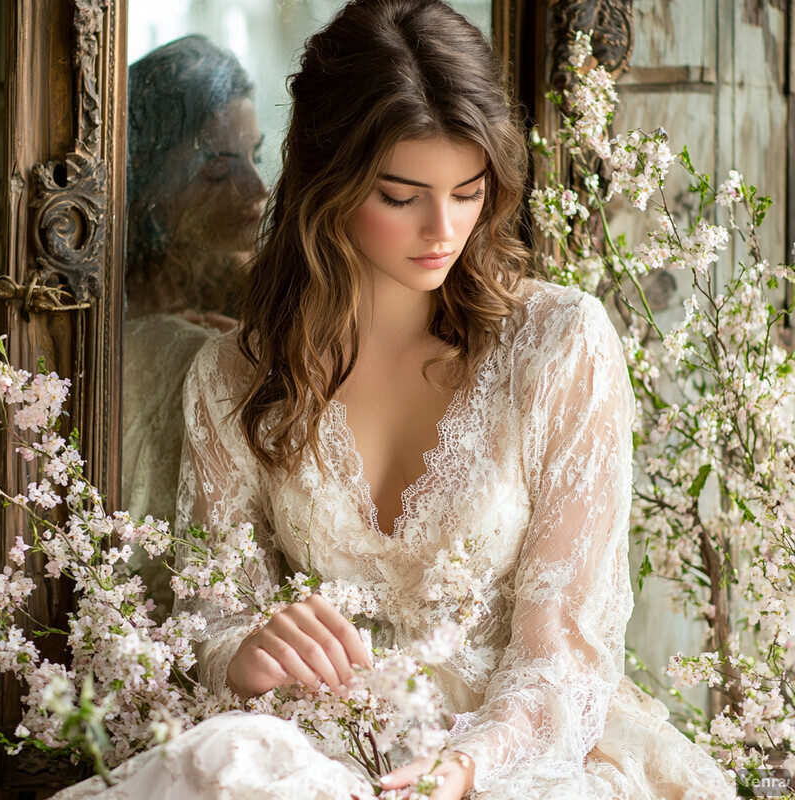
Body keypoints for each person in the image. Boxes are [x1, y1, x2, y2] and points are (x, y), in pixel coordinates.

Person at [60, 1, 735, 797]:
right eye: (401, 195)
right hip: (321, 746)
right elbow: (211, 613)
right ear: (328, 182)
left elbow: (565, 651)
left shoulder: (559, 345)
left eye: (469, 190)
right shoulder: (234, 377)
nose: (442, 229)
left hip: (519, 749)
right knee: (220, 765)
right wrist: (245, 647)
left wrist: (464, 768)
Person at [121, 35, 268, 616]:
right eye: (216, 173)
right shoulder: (94, 306)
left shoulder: (272, 294)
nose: (257, 190)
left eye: (257, 156)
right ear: (147, 183)